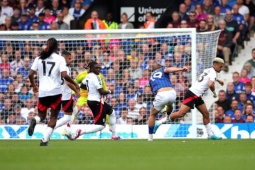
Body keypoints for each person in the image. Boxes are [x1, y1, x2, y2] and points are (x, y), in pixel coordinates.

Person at [155, 58, 225, 140]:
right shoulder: (212, 72)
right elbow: (211, 84)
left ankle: (210, 135)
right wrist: (214, 93)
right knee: (180, 114)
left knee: (206, 114)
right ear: (215, 65)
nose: (221, 68)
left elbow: (209, 78)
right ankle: (159, 122)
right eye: (220, 67)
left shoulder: (208, 69)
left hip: (197, 95)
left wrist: (218, 80)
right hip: (192, 94)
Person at [27, 38, 79, 146]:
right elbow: (65, 75)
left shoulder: (39, 58)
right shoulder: (59, 59)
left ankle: (35, 120)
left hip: (42, 92)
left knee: (41, 115)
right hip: (55, 92)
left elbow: (30, 74)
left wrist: (34, 86)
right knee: (53, 117)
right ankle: (44, 140)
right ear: (56, 47)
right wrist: (75, 84)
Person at [65, 61, 121, 140]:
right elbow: (101, 91)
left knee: (112, 112)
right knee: (101, 126)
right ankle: (81, 131)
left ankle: (114, 135)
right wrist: (110, 91)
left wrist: (91, 89)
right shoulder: (95, 77)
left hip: (93, 100)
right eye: (96, 68)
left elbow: (83, 86)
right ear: (91, 69)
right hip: (96, 102)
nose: (98, 70)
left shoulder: (88, 76)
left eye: (99, 68)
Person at [147, 62, 188, 141]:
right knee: (170, 104)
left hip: (161, 94)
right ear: (160, 67)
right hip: (172, 93)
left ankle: (150, 137)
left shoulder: (151, 78)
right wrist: (181, 69)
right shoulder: (162, 69)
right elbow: (169, 69)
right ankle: (168, 117)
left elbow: (153, 91)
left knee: (152, 114)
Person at [54, 50, 80, 130]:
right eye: (69, 58)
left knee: (75, 109)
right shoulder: (65, 68)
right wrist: (76, 91)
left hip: (59, 94)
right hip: (65, 95)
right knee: (67, 117)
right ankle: (51, 127)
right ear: (64, 59)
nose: (71, 60)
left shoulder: (56, 67)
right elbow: (68, 83)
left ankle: (68, 129)